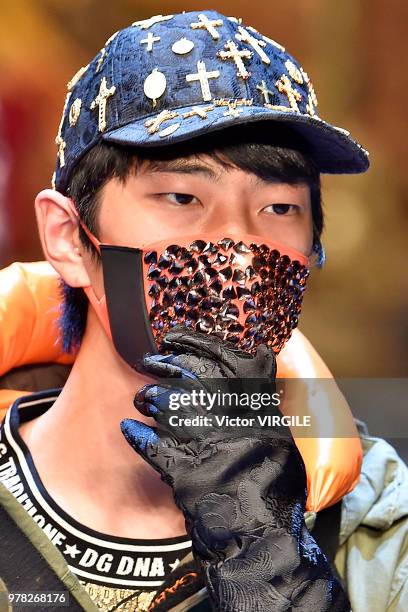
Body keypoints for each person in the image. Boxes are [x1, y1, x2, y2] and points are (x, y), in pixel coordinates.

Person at [0, 10, 407, 612]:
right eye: (181, 197)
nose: (241, 255)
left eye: (279, 208)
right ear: (69, 238)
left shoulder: (377, 523)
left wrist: (272, 562)